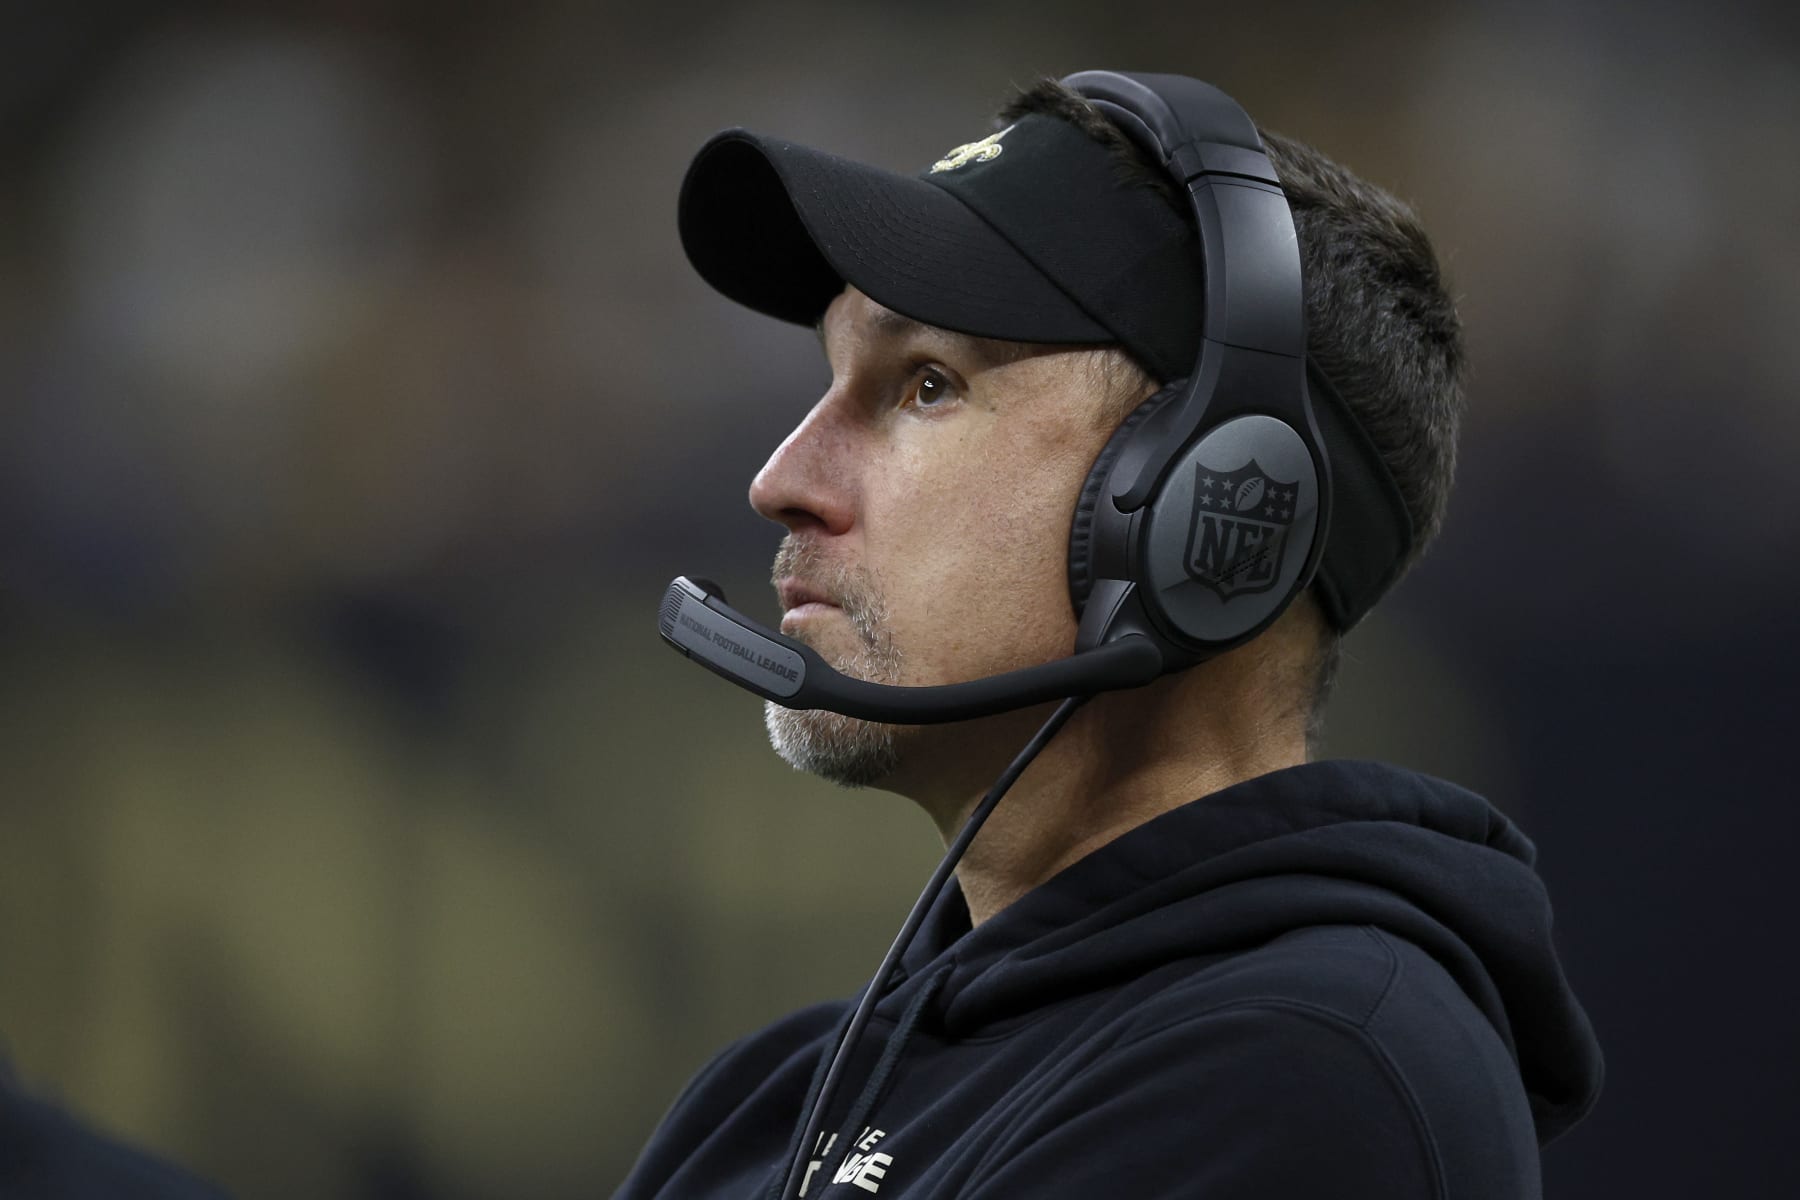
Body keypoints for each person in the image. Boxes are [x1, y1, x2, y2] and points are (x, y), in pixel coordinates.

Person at [624, 72, 1603, 1199]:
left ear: (1208, 509)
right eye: (829, 382)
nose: (781, 480)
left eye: (925, 385)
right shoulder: (775, 1102)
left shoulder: (1299, 1080)